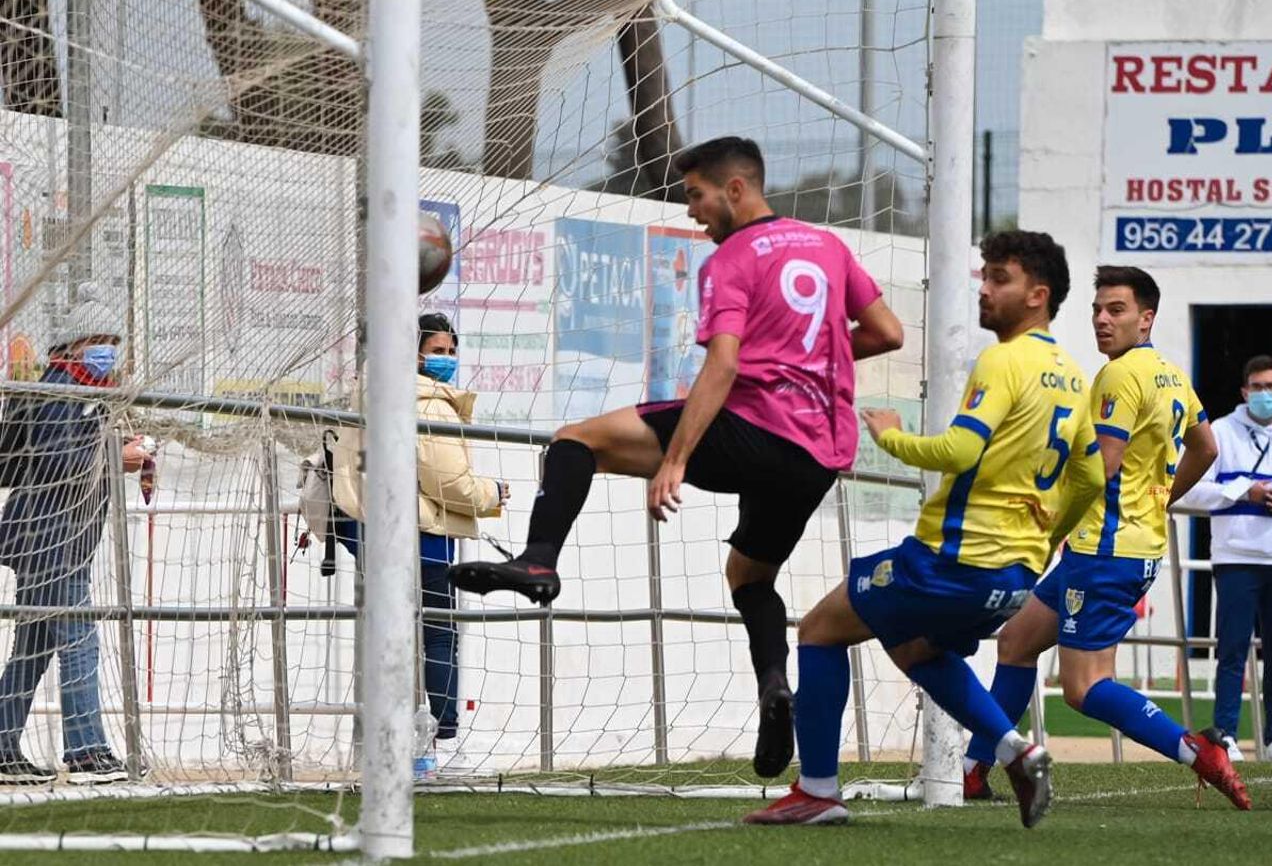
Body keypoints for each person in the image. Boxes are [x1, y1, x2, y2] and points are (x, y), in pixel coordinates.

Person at [448, 137, 904, 778]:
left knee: (576, 439)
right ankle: (775, 687)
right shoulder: (827, 246)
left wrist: (675, 460)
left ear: (736, 190)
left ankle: (538, 562)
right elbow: (888, 332)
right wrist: (808, 365)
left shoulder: (731, 261)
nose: (693, 213)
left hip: (754, 430)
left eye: (696, 196)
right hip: (820, 455)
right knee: (750, 578)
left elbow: (722, 363)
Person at [744, 231, 1098, 828]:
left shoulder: (1004, 359)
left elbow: (961, 448)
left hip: (950, 559)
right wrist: (1042, 542)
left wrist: (890, 435)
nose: (984, 289)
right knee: (914, 647)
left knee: (820, 630)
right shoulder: (1071, 372)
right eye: (984, 275)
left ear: (1038, 295)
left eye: (1000, 279)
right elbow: (1089, 477)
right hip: (1011, 574)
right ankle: (1014, 749)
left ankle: (818, 790)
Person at [963, 266, 1251, 810]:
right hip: (1116, 549)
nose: (1101, 319)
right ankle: (973, 770)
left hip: (1104, 552)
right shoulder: (1168, 371)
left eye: (1115, 309)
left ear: (1147, 318)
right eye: (1097, 309)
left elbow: (1101, 465)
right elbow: (1206, 447)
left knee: (1084, 688)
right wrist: (1163, 498)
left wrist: (1041, 517)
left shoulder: (1119, 377)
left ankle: (1197, 749)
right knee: (1016, 643)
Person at [330, 312, 509, 773]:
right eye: (438, 351)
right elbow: (449, 482)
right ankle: (439, 742)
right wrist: (492, 493)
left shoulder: (369, 392)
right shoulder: (427, 402)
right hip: (421, 537)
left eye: (451, 352)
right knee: (438, 634)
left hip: (369, 529)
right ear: (413, 354)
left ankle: (388, 739)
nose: (447, 360)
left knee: (389, 632)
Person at [0, 288, 151, 784]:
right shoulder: (62, 391)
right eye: (96, 341)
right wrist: (117, 454)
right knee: (81, 641)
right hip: (49, 542)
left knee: (35, 646)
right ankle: (85, 751)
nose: (106, 350)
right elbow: (61, 462)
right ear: (69, 348)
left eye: (111, 341)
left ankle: (2, 746)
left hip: (56, 541)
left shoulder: (84, 394)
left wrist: (123, 454)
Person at [1177, 354, 1272, 764]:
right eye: (1256, 387)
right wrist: (1241, 492)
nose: (1263, 395)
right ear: (1243, 392)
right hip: (1236, 558)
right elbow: (1191, 489)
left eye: (1271, 387)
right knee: (1231, 650)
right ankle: (1226, 734)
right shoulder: (1221, 433)